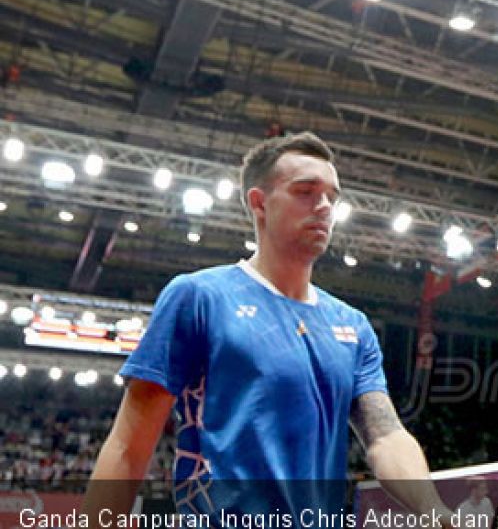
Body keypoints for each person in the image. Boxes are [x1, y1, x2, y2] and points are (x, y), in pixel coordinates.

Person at [84, 133, 453, 525]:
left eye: (332, 195)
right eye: (305, 191)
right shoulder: (199, 297)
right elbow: (127, 447)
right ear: (259, 203)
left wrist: (433, 508)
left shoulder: (353, 326)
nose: (324, 206)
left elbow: (385, 436)